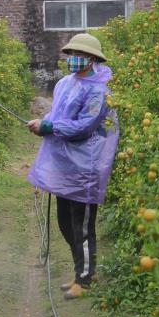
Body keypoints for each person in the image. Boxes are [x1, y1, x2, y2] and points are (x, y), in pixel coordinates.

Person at [26, 33, 119, 300]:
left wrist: (50, 127)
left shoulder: (99, 92)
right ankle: (85, 270)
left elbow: (83, 127)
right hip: (65, 165)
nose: (73, 59)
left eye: (79, 55)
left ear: (91, 59)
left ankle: (85, 279)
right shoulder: (65, 84)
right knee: (65, 223)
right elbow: (57, 116)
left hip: (86, 167)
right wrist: (42, 123)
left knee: (82, 226)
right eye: (71, 54)